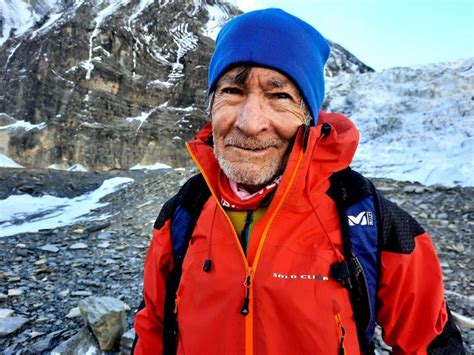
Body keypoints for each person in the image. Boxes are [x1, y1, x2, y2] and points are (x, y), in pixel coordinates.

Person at [133, 8, 464, 354]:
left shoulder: (371, 221)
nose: (250, 122)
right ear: (211, 105)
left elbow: (429, 342)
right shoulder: (181, 216)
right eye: (232, 90)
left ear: (309, 116)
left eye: (279, 96)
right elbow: (152, 330)